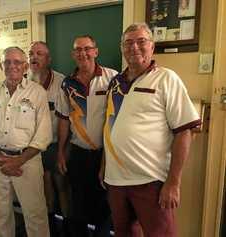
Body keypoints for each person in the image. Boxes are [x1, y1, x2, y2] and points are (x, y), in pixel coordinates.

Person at [101, 23, 201, 237]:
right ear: (122, 49)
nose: (134, 47)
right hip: (115, 181)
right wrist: (104, 165)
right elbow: (110, 127)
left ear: (152, 47)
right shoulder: (115, 83)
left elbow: (185, 131)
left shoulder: (166, 78)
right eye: (128, 43)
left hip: (151, 182)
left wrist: (173, 183)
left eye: (141, 41)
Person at [0, 46, 52, 237]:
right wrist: (0, 160)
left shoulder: (37, 93)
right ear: (2, 65)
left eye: (17, 62)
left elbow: (43, 135)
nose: (12, 66)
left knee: (35, 214)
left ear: (26, 66)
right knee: (0, 214)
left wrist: (17, 162)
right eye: (7, 62)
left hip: (27, 162)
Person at [56, 35, 118, 237]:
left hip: (106, 155)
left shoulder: (112, 78)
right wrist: (60, 152)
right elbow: (64, 119)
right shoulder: (67, 84)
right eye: (78, 50)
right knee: (78, 204)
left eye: (87, 48)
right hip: (78, 153)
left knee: (105, 205)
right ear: (73, 54)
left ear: (95, 51)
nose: (83, 53)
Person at [28, 41, 71, 236]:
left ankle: (67, 224)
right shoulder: (23, 82)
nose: (34, 57)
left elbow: (65, 119)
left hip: (56, 143)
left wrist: (63, 149)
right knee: (43, 184)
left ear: (49, 59)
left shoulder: (62, 82)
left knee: (61, 184)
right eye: (31, 53)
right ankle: (51, 222)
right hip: (33, 146)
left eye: (39, 53)